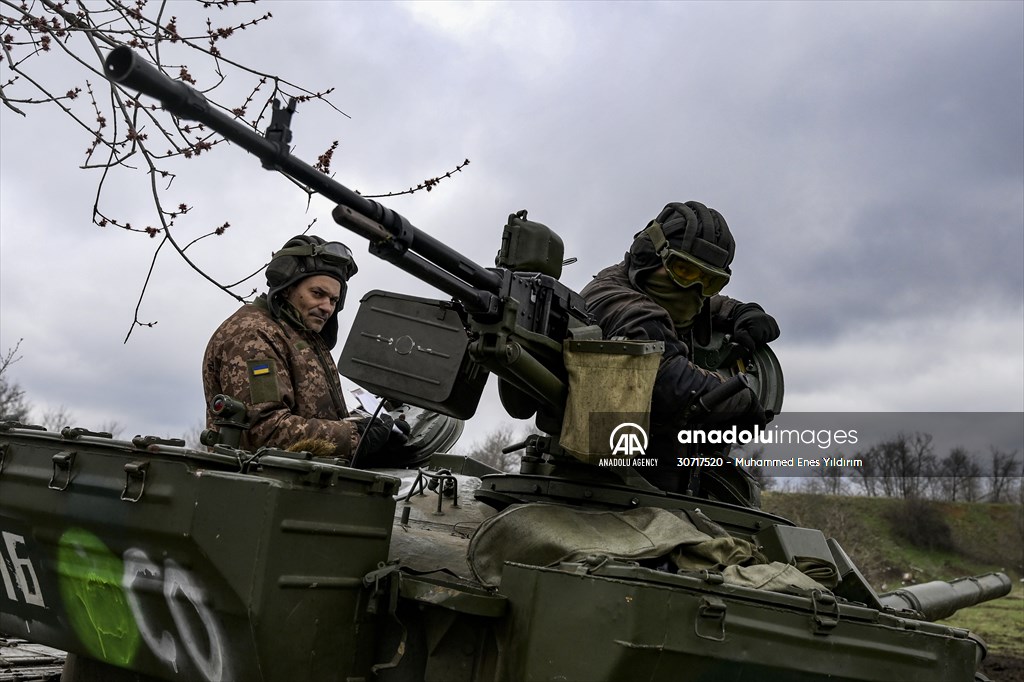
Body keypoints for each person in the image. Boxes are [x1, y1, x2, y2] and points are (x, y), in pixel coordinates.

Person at [580, 201, 780, 494]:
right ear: (650, 255)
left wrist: (740, 312)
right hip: (613, 482)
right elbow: (667, 379)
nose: (694, 290)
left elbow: (704, 304)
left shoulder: (648, 286)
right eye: (684, 271)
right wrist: (742, 400)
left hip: (664, 481)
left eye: (710, 281)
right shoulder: (618, 302)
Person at [202, 234, 397, 462]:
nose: (327, 308)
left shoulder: (298, 335)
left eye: (333, 300)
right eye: (318, 294)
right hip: (261, 478)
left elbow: (312, 418)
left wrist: (373, 427)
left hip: (299, 477)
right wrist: (355, 436)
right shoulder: (254, 335)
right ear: (287, 288)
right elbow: (267, 431)